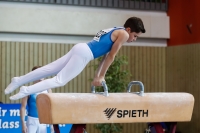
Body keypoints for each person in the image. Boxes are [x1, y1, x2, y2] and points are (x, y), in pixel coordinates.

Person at [5, 17, 146, 100]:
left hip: (81, 48)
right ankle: (26, 90)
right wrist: (101, 76)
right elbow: (111, 56)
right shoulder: (124, 34)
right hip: (85, 54)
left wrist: (98, 76)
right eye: (135, 36)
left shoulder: (116, 29)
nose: (134, 39)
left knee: (48, 70)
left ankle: (19, 80)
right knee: (59, 81)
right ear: (129, 30)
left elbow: (105, 56)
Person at [20, 66, 54, 133]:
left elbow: (51, 108)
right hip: (31, 121)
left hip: (43, 121)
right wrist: (23, 124)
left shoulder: (48, 89)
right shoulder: (28, 90)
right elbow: (23, 108)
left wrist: (51, 126)